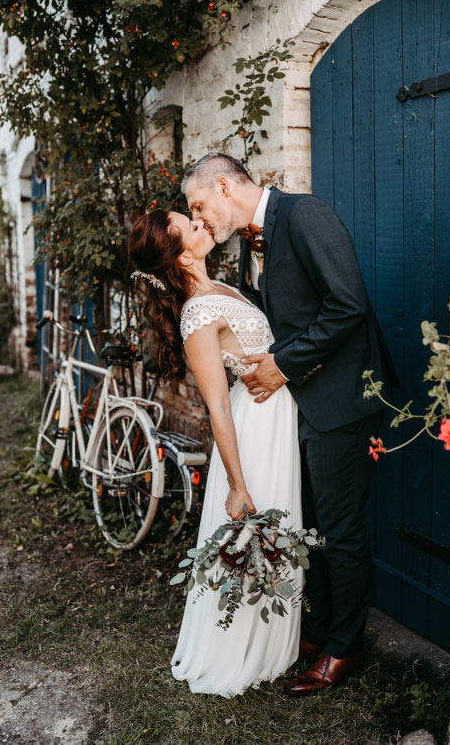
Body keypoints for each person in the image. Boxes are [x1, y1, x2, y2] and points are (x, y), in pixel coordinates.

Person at [181, 152, 399, 696]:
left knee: (341, 531)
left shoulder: (304, 215)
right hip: (307, 407)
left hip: (344, 400)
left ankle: (345, 650)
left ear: (225, 185)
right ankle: (319, 631)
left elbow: (348, 305)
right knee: (318, 527)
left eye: (200, 205)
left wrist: (282, 364)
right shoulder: (255, 242)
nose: (201, 219)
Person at [128, 208, 303, 697]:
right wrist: (238, 484)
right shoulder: (197, 314)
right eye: (192, 223)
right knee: (261, 525)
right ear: (183, 253)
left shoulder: (220, 290)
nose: (203, 223)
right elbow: (217, 408)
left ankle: (280, 638)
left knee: (283, 522)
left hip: (276, 413)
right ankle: (244, 648)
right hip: (254, 429)